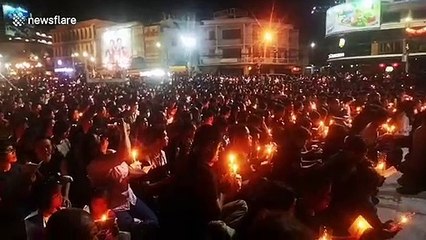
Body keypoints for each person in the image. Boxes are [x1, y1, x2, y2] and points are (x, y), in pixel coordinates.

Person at [160, 125, 247, 239]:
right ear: (210, 146)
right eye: (219, 146)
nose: (220, 151)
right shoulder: (204, 172)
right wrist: (228, 191)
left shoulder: (186, 160)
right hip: (195, 226)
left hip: (177, 220)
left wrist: (220, 186)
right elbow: (215, 213)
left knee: (241, 204)